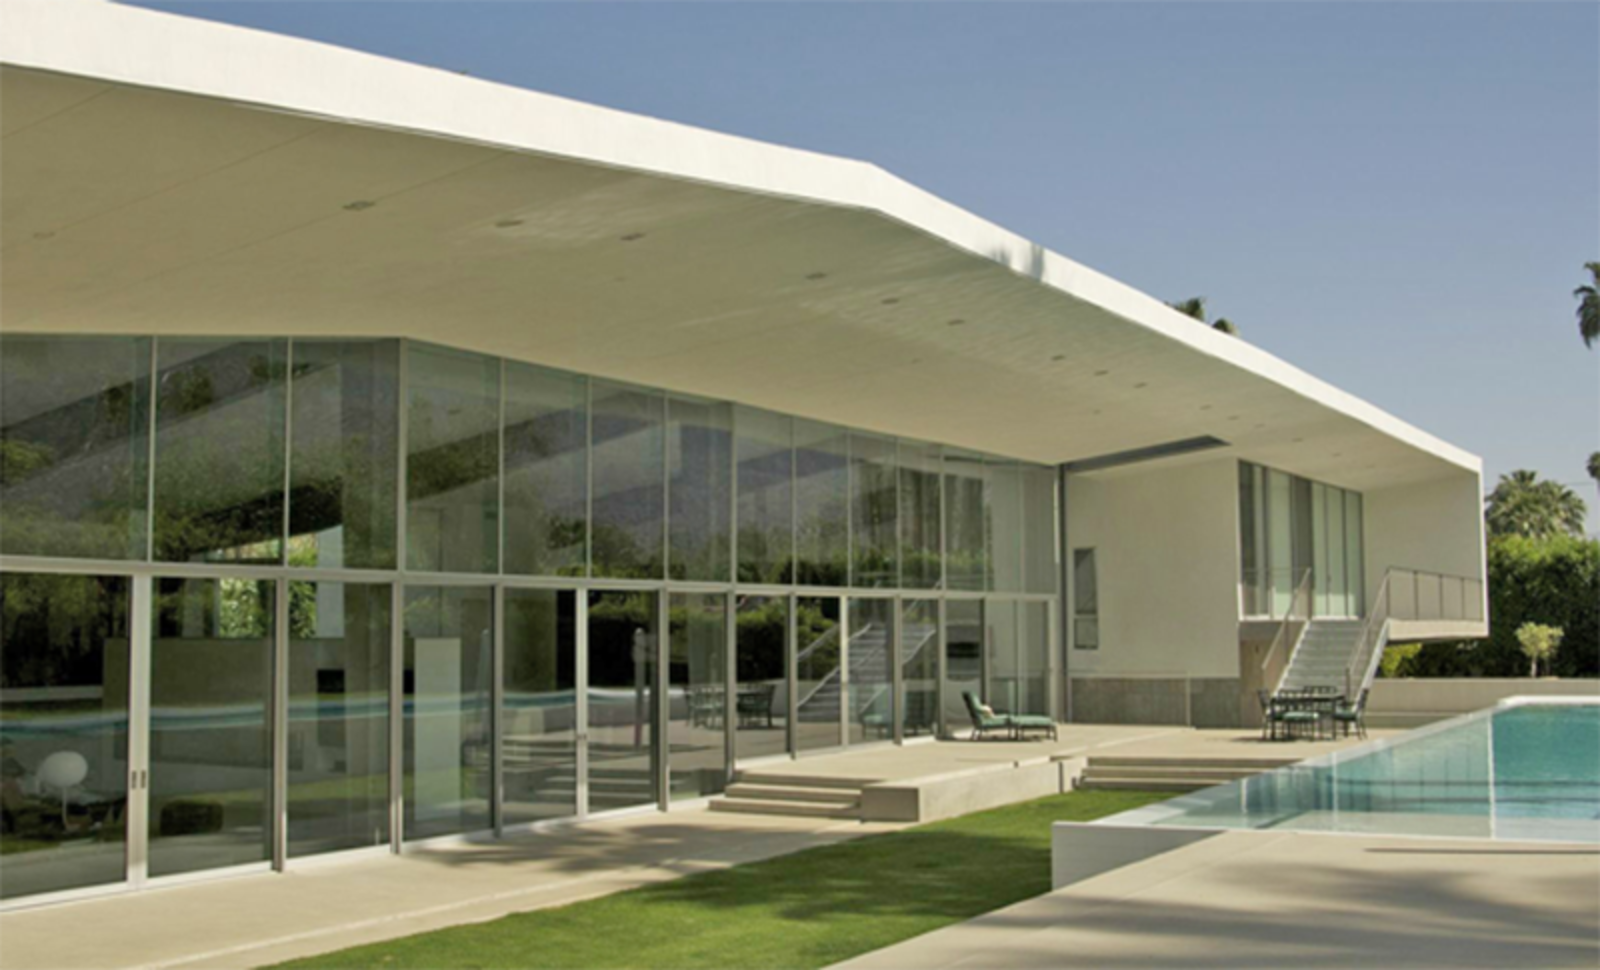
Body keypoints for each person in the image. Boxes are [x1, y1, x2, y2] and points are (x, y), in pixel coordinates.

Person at [0, 735, 29, 836]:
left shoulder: (11, 761)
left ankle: (11, 828)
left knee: (11, 811)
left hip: (10, 789)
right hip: (4, 789)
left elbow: (21, 772)